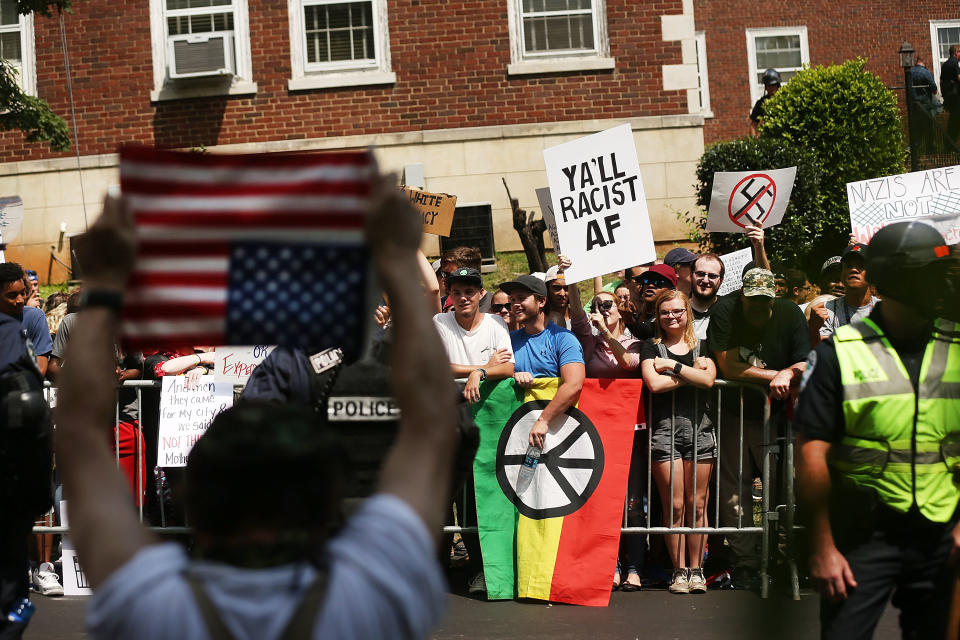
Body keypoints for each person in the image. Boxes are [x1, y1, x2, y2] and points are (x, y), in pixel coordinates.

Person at [55, 175, 460, 639]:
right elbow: (429, 432)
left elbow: (80, 437)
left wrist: (105, 279)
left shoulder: (149, 605)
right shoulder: (374, 597)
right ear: (320, 495)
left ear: (195, 504)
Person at [795, 221, 959, 638]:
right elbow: (812, 452)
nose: (942, 284)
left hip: (943, 537)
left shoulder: (956, 345)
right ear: (896, 279)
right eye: (931, 274)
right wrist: (823, 546)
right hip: (861, 535)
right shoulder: (839, 353)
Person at [707, 267, 810, 588]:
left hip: (779, 418)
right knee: (734, 493)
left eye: (765, 300)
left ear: (774, 297)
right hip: (735, 415)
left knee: (785, 488)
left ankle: (784, 557)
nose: (758, 306)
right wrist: (778, 375)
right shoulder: (725, 310)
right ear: (742, 296)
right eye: (752, 300)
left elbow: (804, 361)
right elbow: (727, 365)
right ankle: (746, 563)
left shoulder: (790, 313)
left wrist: (789, 374)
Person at [566, 281, 645, 591]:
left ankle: (634, 565)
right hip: (595, 431)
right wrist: (572, 278)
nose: (601, 309)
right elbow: (575, 311)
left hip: (632, 431)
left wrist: (609, 335)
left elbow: (629, 363)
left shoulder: (635, 340)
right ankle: (606, 563)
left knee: (633, 501)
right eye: (596, 305)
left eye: (608, 305)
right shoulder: (587, 340)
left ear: (621, 311)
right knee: (600, 499)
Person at [641, 290, 717, 595]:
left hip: (701, 429)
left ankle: (697, 569)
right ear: (657, 316)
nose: (672, 317)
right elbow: (654, 385)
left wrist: (673, 367)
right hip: (665, 431)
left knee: (697, 503)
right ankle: (679, 571)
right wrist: (691, 374)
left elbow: (709, 380)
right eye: (665, 312)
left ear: (687, 312)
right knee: (674, 505)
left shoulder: (703, 345)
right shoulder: (651, 346)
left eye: (677, 311)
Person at [0, 262, 54, 639]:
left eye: (23, 293)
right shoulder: (6, 335)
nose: (20, 300)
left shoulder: (23, 326)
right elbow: (22, 405)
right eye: (11, 295)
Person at [500, 274, 585, 450]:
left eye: (522, 298)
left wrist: (543, 421)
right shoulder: (507, 339)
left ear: (542, 302)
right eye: (512, 299)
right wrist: (512, 375)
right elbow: (495, 375)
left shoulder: (564, 338)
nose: (515, 304)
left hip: (557, 435)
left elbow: (574, 384)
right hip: (516, 431)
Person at [813, 243, 879, 343]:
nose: (853, 270)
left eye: (861, 266)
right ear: (841, 274)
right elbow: (822, 349)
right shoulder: (826, 310)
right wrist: (813, 329)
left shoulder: (885, 309)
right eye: (848, 266)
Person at [625, 264, 677, 340]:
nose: (650, 285)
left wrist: (628, 319)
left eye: (658, 282)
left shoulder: (673, 315)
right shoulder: (637, 314)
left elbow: (648, 332)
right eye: (647, 281)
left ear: (671, 289)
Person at [690, 253, 724, 340]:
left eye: (712, 276)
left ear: (721, 280)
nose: (705, 280)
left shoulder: (729, 309)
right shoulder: (677, 310)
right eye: (700, 274)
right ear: (691, 276)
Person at [749, 68, 781, 136]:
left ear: (778, 86)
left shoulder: (784, 100)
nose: (770, 88)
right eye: (768, 86)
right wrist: (754, 141)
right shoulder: (760, 103)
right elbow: (753, 124)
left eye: (773, 85)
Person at [940, 45, 960, 141]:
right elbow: (959, 77)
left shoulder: (945, 64)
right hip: (956, 97)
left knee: (953, 120)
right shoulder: (955, 62)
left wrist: (944, 95)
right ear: (956, 53)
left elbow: (941, 81)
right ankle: (951, 144)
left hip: (949, 97)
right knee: (955, 120)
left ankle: (949, 143)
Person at [543, 264, 571, 329]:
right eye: (556, 288)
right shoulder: (538, 320)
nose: (562, 294)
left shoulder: (582, 320)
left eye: (566, 288)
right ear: (547, 289)